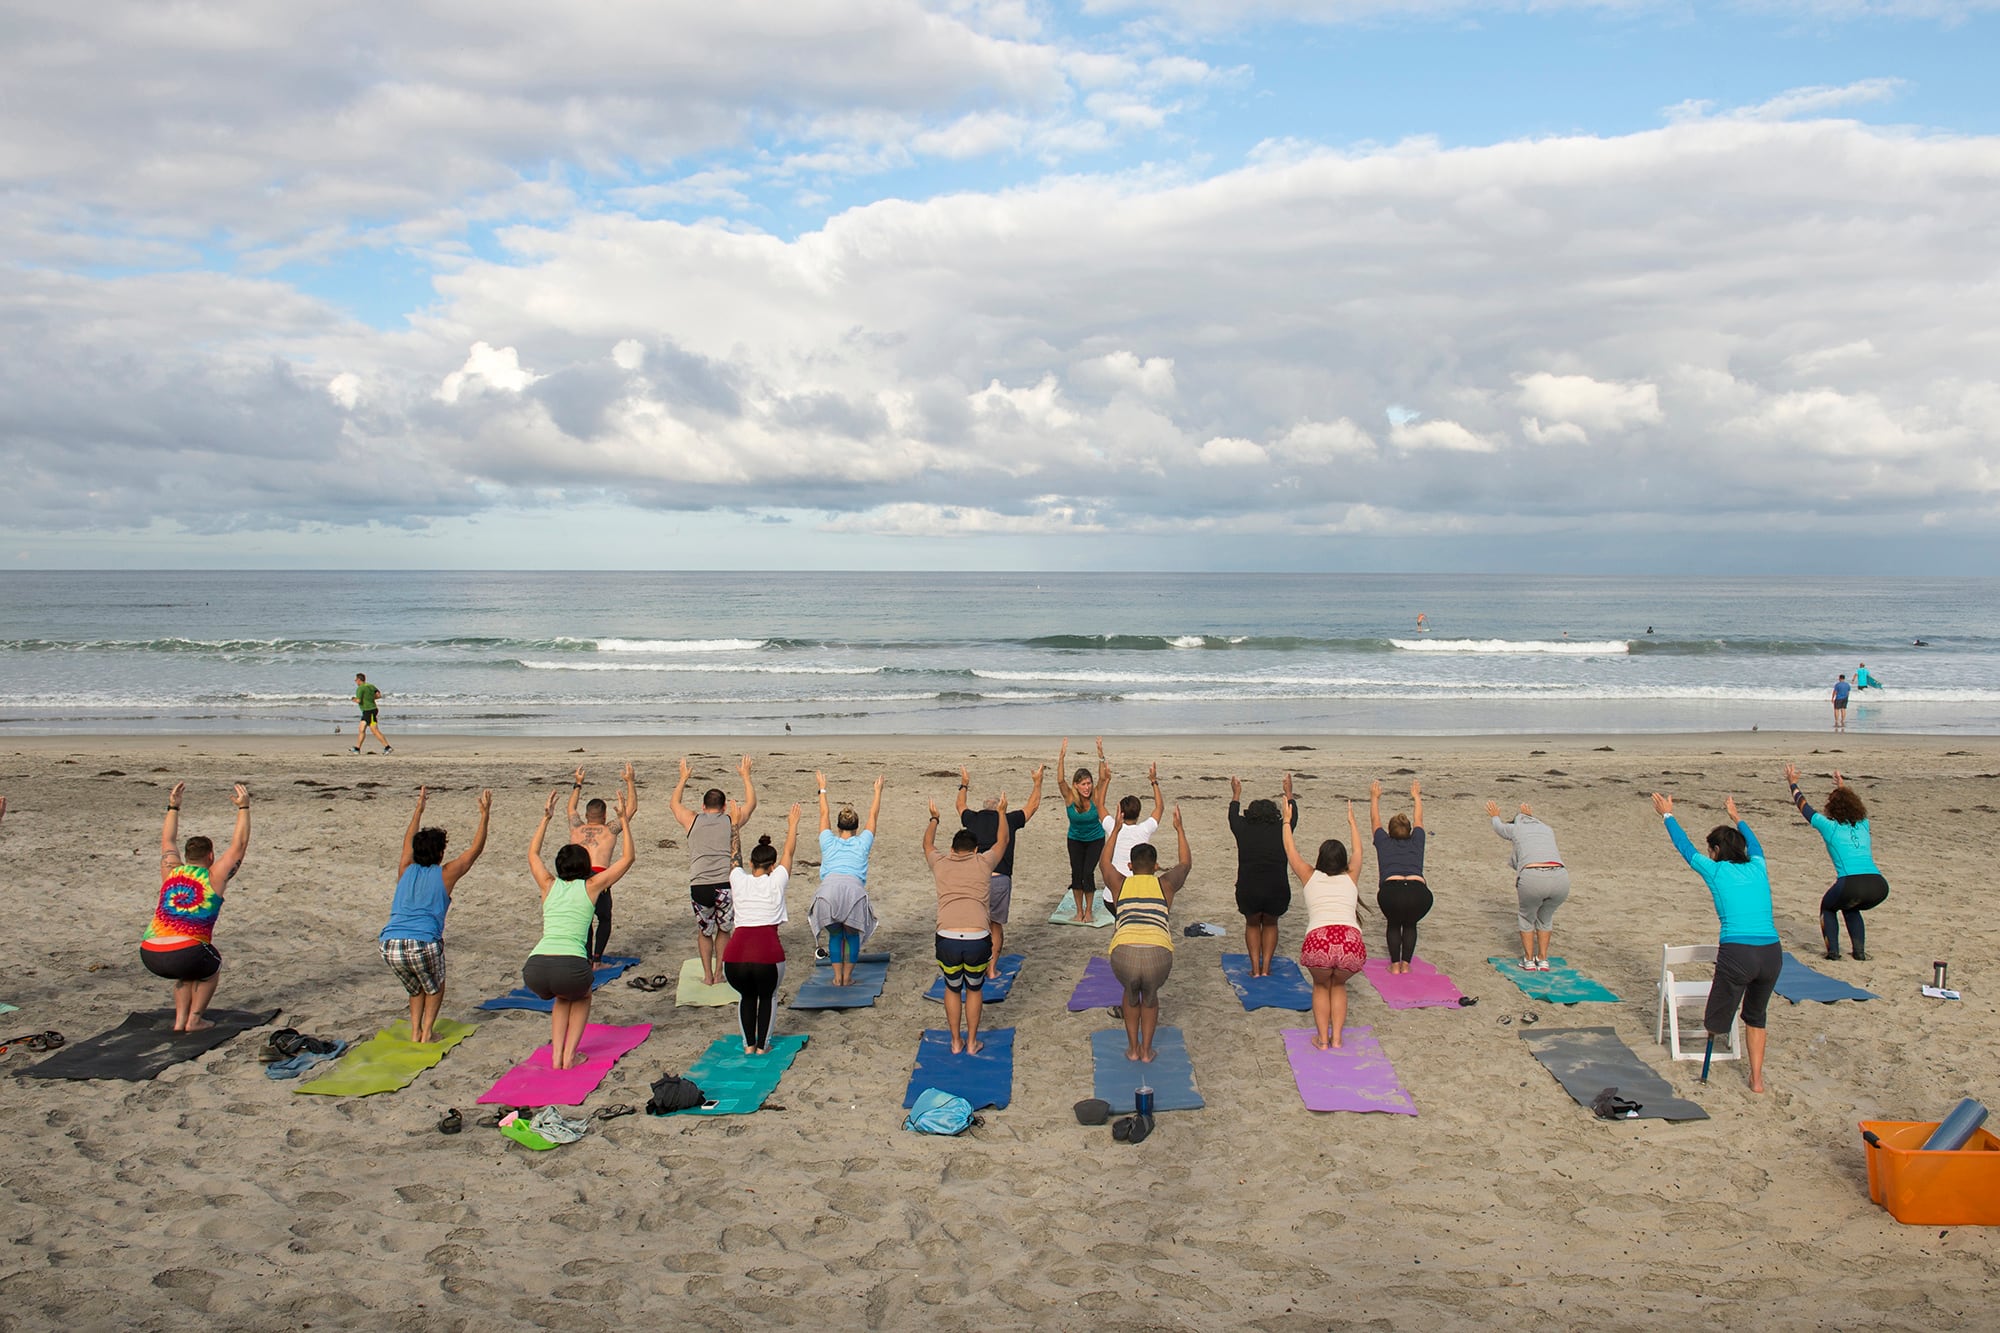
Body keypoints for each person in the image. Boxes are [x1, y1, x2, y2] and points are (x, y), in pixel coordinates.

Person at [1651, 790, 1780, 1093]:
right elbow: (1756, 845)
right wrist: (1737, 817)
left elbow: (1685, 849)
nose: (1709, 854)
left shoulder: (1716, 870)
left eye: (1711, 850)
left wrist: (1667, 815)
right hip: (1772, 953)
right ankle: (1757, 1079)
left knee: (1717, 1017)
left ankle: (1712, 1052)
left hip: (1738, 951)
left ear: (1718, 850)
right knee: (1756, 1017)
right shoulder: (1758, 866)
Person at [524, 785, 637, 1070]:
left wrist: (545, 818)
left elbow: (533, 854)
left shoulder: (548, 885)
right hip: (570, 966)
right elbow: (627, 859)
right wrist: (623, 819)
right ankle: (570, 1056)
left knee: (563, 999)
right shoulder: (592, 886)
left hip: (535, 968)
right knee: (582, 996)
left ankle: (556, 1056)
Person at [378, 785, 491, 1043]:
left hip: (389, 944)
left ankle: (415, 1031)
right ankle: (427, 1033)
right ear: (440, 853)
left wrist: (418, 810)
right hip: (423, 943)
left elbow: (408, 841)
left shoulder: (405, 868)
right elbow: (474, 852)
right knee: (436, 985)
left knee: (416, 988)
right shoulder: (445, 874)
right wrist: (485, 816)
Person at [143, 782, 250, 1033]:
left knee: (188, 971)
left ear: (187, 856)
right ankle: (195, 1020)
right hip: (185, 952)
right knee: (211, 967)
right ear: (210, 857)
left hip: (150, 953)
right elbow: (239, 845)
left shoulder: (170, 871)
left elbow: (167, 840)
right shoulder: (214, 878)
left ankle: (180, 1021)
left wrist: (173, 807)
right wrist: (243, 808)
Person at [1099, 804, 1192, 1062]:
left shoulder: (1120, 883)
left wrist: (1116, 830)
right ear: (1155, 866)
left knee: (1131, 995)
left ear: (1130, 865)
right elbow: (1185, 863)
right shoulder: (1165, 884)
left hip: (1124, 954)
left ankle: (1132, 1050)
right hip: (1158, 956)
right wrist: (1179, 829)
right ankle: (1147, 1051)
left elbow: (1104, 862)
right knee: (1150, 998)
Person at [924, 792, 1011, 1055]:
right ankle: (972, 1042)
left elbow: (927, 843)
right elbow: (1003, 839)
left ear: (952, 849)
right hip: (977, 938)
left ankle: (955, 1042)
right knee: (974, 989)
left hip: (947, 937)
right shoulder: (984, 862)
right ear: (975, 850)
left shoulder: (940, 862)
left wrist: (934, 819)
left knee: (952, 988)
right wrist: (1002, 813)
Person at [1280, 786, 1365, 1050]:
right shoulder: (1351, 875)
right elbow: (1359, 851)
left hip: (1319, 941)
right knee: (1338, 987)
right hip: (1350, 941)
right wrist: (1352, 822)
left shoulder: (1309, 875)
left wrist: (1286, 820)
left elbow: (1289, 850)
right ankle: (1337, 1038)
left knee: (1320, 986)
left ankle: (1323, 1039)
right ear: (1342, 861)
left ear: (1319, 858)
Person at [1785, 763, 1891, 961]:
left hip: (1851, 883)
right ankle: (1859, 952)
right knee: (1851, 907)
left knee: (1828, 907)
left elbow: (1804, 807)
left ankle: (1833, 952)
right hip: (1878, 885)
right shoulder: (1863, 823)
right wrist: (1842, 787)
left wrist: (1793, 784)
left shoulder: (1829, 827)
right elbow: (1849, 804)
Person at [670, 755, 756, 986]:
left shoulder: (692, 819)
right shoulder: (731, 821)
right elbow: (751, 804)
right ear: (724, 806)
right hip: (725, 885)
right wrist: (746, 776)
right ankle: (719, 973)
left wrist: (682, 779)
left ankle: (707, 975)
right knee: (724, 931)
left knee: (705, 932)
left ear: (703, 806)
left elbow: (674, 804)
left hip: (699, 885)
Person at [724, 807, 802, 1054]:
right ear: (773, 866)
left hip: (734, 957)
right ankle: (762, 1046)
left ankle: (748, 1045)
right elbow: (789, 851)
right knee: (767, 997)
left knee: (746, 997)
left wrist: (735, 824)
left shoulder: (738, 878)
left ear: (751, 864)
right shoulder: (777, 879)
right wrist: (792, 826)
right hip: (767, 955)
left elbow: (733, 853)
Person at [957, 763, 1044, 977]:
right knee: (995, 925)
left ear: (985, 808)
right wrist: (1037, 783)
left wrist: (964, 784)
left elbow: (959, 804)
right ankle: (992, 969)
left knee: (976, 924)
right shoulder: (1008, 819)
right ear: (999, 808)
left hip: (976, 878)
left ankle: (973, 965)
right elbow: (1032, 806)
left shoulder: (973, 819)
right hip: (999, 879)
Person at [812, 772, 883, 987]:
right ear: (856, 827)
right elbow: (874, 814)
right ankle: (847, 977)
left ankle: (837, 977)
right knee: (851, 936)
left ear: (838, 827)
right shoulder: (863, 842)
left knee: (835, 936)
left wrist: (822, 789)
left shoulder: (827, 840)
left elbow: (824, 813)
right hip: (853, 892)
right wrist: (877, 791)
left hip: (828, 892)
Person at [1228, 773, 1298, 977]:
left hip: (1249, 888)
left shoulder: (1242, 828)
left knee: (1251, 924)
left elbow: (1232, 815)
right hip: (1276, 887)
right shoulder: (1282, 829)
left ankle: (1255, 969)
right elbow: (1293, 816)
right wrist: (1288, 792)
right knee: (1270, 923)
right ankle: (1266, 968)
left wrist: (1236, 793)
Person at [1486, 800, 1567, 971]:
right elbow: (1531, 829)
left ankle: (1529, 960)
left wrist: (1495, 816)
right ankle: (1543, 959)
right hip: (1560, 877)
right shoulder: (1546, 829)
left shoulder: (1516, 828)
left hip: (1533, 877)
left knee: (1526, 917)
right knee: (1545, 918)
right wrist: (1527, 816)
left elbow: (1500, 829)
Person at [567, 764, 636, 962]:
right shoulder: (609, 830)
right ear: (605, 816)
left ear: (586, 815)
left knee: (585, 920)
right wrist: (630, 782)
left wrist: (578, 784)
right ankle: (596, 959)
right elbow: (631, 809)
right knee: (604, 918)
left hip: (578, 877)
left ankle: (588, 957)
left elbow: (571, 809)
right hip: (600, 878)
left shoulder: (576, 828)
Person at [1369, 777, 1431, 974]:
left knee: (1394, 923)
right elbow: (1420, 819)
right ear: (1410, 831)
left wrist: (1375, 798)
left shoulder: (1383, 841)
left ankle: (1395, 965)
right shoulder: (1417, 840)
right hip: (1418, 892)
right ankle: (1406, 965)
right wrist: (1416, 797)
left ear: (1389, 831)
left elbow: (1374, 820)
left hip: (1391, 892)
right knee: (1410, 923)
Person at [1099, 759, 1165, 913]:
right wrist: (1154, 781)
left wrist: (1107, 780)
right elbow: (1160, 808)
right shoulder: (1144, 829)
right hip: (1136, 894)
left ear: (1120, 812)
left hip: (1111, 897)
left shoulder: (1112, 826)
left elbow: (1100, 805)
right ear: (1139, 813)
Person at [1055, 737, 1108, 924]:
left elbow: (1103, 778)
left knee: (1088, 873)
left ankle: (1089, 911)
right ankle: (1079, 911)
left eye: (1088, 783)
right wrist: (1061, 756)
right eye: (1083, 784)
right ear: (1076, 785)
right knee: (1076, 874)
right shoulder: (1070, 797)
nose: (1087, 787)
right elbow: (1060, 780)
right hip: (1075, 839)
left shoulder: (1095, 796)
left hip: (1096, 839)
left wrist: (1101, 754)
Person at [351, 673, 390, 753]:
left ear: (359, 680)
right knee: (361, 729)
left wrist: (353, 699)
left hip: (370, 711)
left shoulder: (360, 688)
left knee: (374, 730)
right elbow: (378, 695)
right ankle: (357, 748)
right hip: (368, 711)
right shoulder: (371, 686)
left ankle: (387, 747)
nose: (355, 682)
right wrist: (370, 699)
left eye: (356, 680)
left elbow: (359, 700)